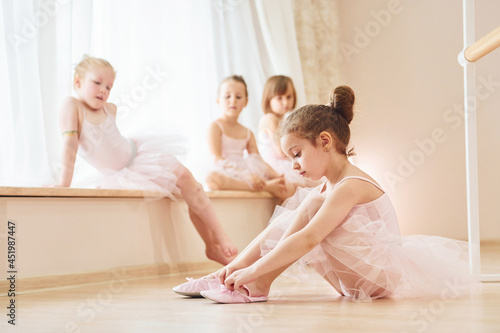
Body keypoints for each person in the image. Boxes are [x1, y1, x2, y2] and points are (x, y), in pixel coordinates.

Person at [173, 85, 479, 303]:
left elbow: (307, 240)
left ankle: (258, 283)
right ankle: (230, 273)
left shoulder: (351, 184)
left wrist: (255, 269)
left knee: (313, 206)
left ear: (324, 141)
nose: (293, 165)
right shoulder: (328, 184)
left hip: (376, 280)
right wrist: (238, 267)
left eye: (296, 154)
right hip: (352, 280)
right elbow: (282, 230)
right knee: (300, 210)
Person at [55, 55, 237, 265]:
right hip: (123, 172)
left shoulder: (109, 109)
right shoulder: (72, 105)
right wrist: (64, 184)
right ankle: (215, 243)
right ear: (77, 82)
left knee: (191, 186)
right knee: (189, 186)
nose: (103, 90)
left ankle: (215, 242)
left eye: (109, 86)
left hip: (139, 155)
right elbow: (70, 145)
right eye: (97, 83)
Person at [205, 75, 291, 201]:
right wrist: (245, 175)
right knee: (212, 178)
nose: (233, 100)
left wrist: (277, 175)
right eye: (227, 96)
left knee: (282, 182)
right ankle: (265, 187)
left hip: (246, 172)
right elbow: (216, 158)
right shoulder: (215, 126)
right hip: (227, 170)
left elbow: (258, 160)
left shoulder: (247, 132)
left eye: (238, 97)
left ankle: (264, 185)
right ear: (218, 100)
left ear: (245, 102)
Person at [258, 75, 321, 191]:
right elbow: (282, 151)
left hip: (287, 160)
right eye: (279, 98)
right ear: (268, 99)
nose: (285, 102)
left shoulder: (288, 119)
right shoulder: (270, 119)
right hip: (276, 165)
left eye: (288, 97)